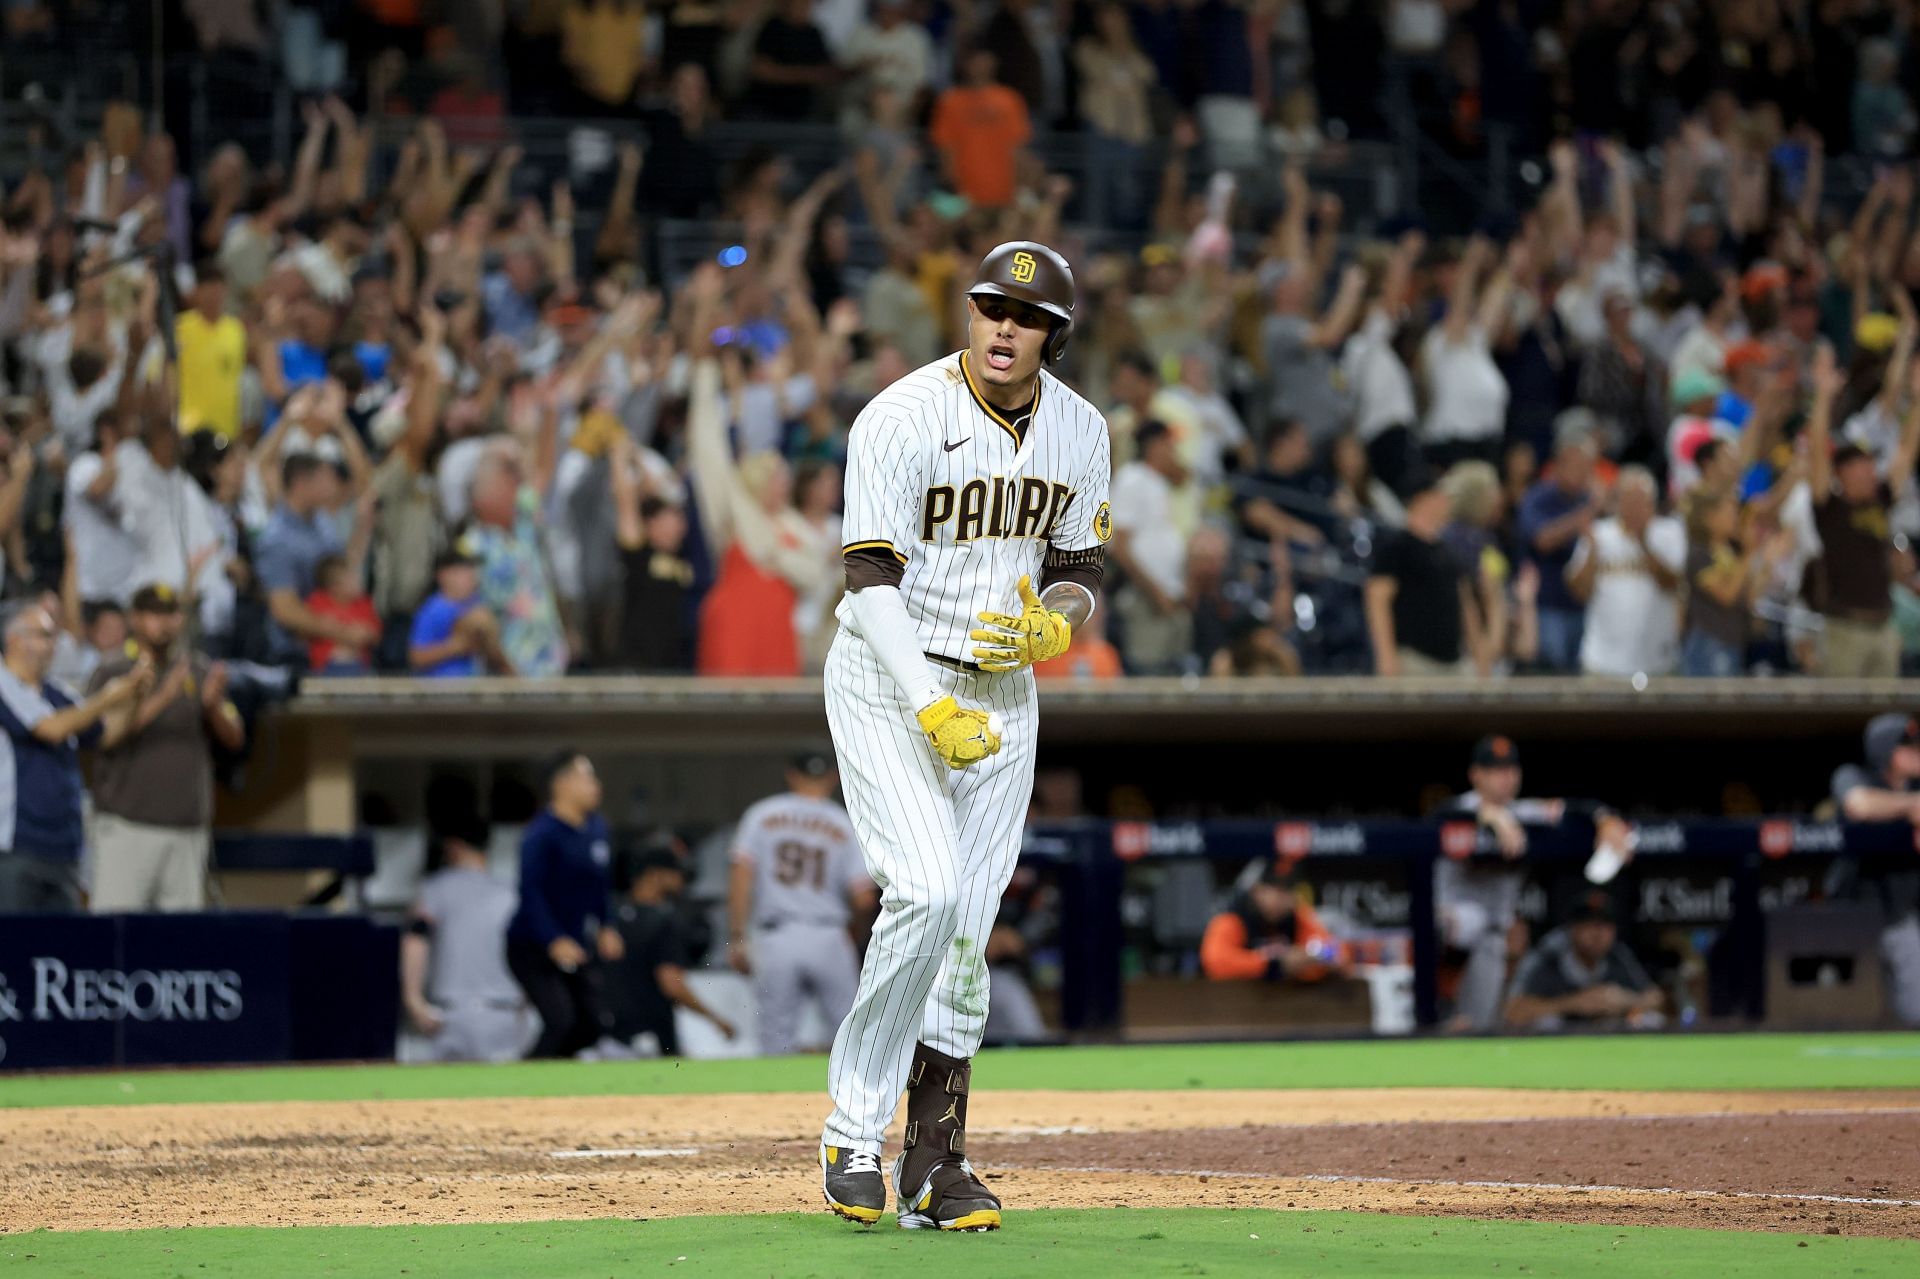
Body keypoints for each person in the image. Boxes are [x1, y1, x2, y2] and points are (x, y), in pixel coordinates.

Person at [818, 241, 1109, 1233]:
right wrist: (928, 705)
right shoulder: (899, 416)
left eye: (1025, 317)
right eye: (991, 307)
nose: (1003, 326)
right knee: (929, 888)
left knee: (967, 934)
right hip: (891, 671)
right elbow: (867, 584)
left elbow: (1080, 563)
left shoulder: (1082, 431)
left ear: (1054, 337)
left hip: (1004, 689)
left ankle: (936, 1163)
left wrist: (1062, 618)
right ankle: (852, 1125)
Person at [87, 584, 245, 913]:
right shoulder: (113, 671)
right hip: (128, 826)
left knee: (181, 945)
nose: (164, 623)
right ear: (136, 619)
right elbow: (105, 736)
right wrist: (164, 696)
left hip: (187, 826)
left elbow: (235, 737)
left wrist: (214, 705)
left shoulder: (197, 669)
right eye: (154, 614)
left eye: (171, 614)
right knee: (117, 931)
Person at [0, 602, 150, 912]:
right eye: (44, 635)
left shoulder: (56, 692)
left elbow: (105, 735)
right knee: (12, 952)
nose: (53, 644)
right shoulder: (3, 684)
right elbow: (51, 729)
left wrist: (134, 695)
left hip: (64, 848)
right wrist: (107, 697)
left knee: (63, 951)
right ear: (15, 639)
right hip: (16, 846)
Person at [726, 750, 878, 1056]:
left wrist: (738, 937)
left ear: (792, 775)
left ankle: (774, 1099)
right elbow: (863, 899)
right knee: (849, 1033)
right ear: (833, 778)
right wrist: (854, 936)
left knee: (775, 1035)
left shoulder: (762, 814)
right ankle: (853, 1100)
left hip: (777, 935)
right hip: (829, 934)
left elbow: (741, 877)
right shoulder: (845, 823)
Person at [1805, 344, 1919, 677]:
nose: (1872, 471)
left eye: (1871, 464)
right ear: (1843, 473)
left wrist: (1917, 399)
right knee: (1842, 717)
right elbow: (1816, 453)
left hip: (1883, 625)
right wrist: (1823, 397)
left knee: (1885, 714)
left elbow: (1906, 452)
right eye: (1863, 466)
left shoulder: (1880, 500)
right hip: (1845, 628)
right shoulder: (1830, 507)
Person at [506, 752, 621, 1059]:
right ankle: (525, 1086)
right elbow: (529, 891)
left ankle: (558, 1085)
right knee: (560, 1021)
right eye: (588, 778)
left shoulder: (597, 829)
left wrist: (606, 925)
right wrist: (552, 939)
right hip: (531, 944)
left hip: (574, 942)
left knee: (593, 1023)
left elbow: (600, 885)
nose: (597, 786)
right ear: (562, 784)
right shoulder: (541, 833)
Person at [402, 812, 531, 1062]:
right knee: (504, 1098)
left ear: (454, 846)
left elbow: (415, 941)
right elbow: (529, 951)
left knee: (444, 1099)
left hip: (450, 1016)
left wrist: (413, 998)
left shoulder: (434, 889)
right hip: (503, 1014)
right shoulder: (512, 893)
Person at [1828, 712, 1920, 1024]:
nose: (1916, 752)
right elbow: (1860, 805)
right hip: (1852, 915)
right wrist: (1911, 808)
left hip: (1904, 914)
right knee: (1853, 1014)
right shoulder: (1854, 775)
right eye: (1906, 747)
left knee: (1914, 1009)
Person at [605, 841, 738, 1054]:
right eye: (676, 872)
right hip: (651, 1036)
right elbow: (671, 983)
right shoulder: (663, 919)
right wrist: (715, 1019)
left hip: (608, 1037)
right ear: (656, 875)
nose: (682, 879)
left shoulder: (609, 916)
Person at [1567, 466, 1686, 677]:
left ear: (1652, 503)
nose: (1633, 507)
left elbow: (1672, 584)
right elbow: (1579, 592)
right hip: (1602, 661)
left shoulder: (1669, 532)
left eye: (1640, 501)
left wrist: (1643, 542)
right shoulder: (1599, 534)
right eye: (1627, 499)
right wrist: (1593, 553)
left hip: (1657, 662)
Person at [1366, 472, 1486, 676]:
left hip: (1454, 662)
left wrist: (1479, 652)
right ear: (1422, 499)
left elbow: (1465, 603)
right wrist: (1385, 656)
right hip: (1414, 660)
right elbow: (1377, 599)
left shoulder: (1447, 551)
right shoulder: (1397, 546)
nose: (1447, 503)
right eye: (1440, 496)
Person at [1504, 892, 1662, 1030]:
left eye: (1604, 925)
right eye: (1590, 925)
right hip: (1558, 1044)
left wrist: (1623, 999)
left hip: (1606, 1040)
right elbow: (1513, 1011)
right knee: (1547, 1022)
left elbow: (1656, 998)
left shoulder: (1617, 954)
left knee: (1649, 1019)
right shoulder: (1549, 954)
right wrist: (1575, 1003)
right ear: (1573, 929)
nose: (1598, 934)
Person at [1108, 419, 1193, 672]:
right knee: (1148, 677)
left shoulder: (1158, 483)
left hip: (1170, 597)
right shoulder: (1132, 478)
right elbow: (1119, 547)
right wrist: (1155, 592)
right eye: (1169, 445)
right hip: (1145, 600)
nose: (1173, 452)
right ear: (1154, 446)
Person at [1199, 865, 1347, 982]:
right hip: (1229, 1008)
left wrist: (1312, 957)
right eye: (1276, 890)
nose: (1282, 899)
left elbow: (1336, 952)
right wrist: (1274, 965)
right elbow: (1216, 962)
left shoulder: (1297, 917)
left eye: (1288, 891)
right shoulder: (1232, 919)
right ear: (1257, 891)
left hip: (1283, 1009)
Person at [409, 550, 508, 677]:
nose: (471, 575)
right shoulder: (433, 609)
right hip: (440, 689)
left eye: (471, 569)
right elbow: (416, 657)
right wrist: (454, 646)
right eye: (463, 570)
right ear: (443, 576)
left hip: (472, 686)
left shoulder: (476, 602)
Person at [303, 555, 380, 673]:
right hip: (324, 667)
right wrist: (349, 633)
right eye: (350, 579)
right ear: (334, 586)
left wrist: (335, 629)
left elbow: (373, 634)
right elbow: (311, 628)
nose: (357, 581)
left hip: (359, 665)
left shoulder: (363, 603)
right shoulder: (317, 601)